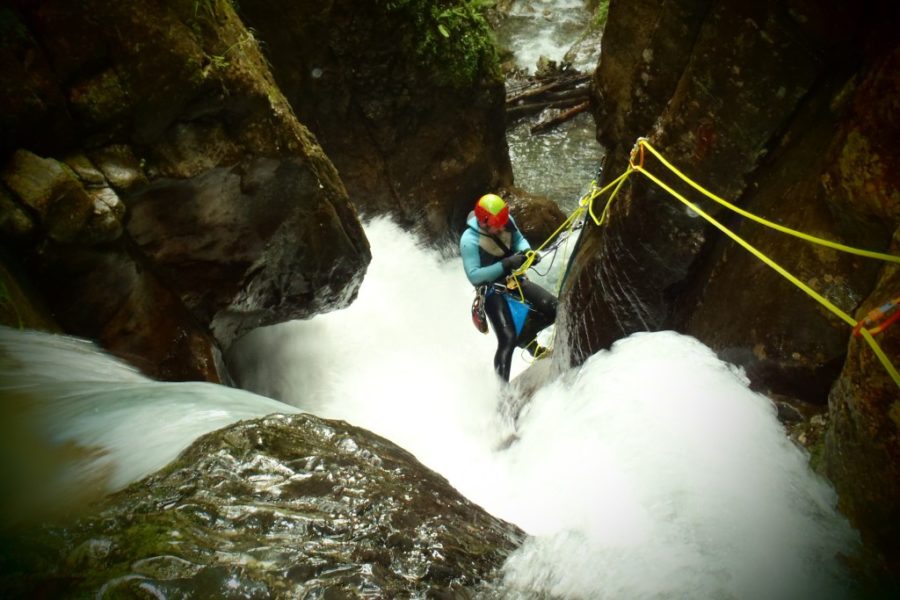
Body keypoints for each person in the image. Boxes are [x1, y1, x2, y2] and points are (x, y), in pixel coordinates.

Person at [460, 193, 558, 382]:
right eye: (499, 224)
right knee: (508, 339)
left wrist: (528, 252)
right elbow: (474, 276)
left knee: (554, 307)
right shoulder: (469, 240)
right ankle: (501, 393)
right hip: (491, 291)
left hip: (514, 280)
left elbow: (519, 239)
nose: (503, 226)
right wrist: (505, 264)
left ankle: (530, 342)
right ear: (485, 223)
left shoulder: (506, 220)